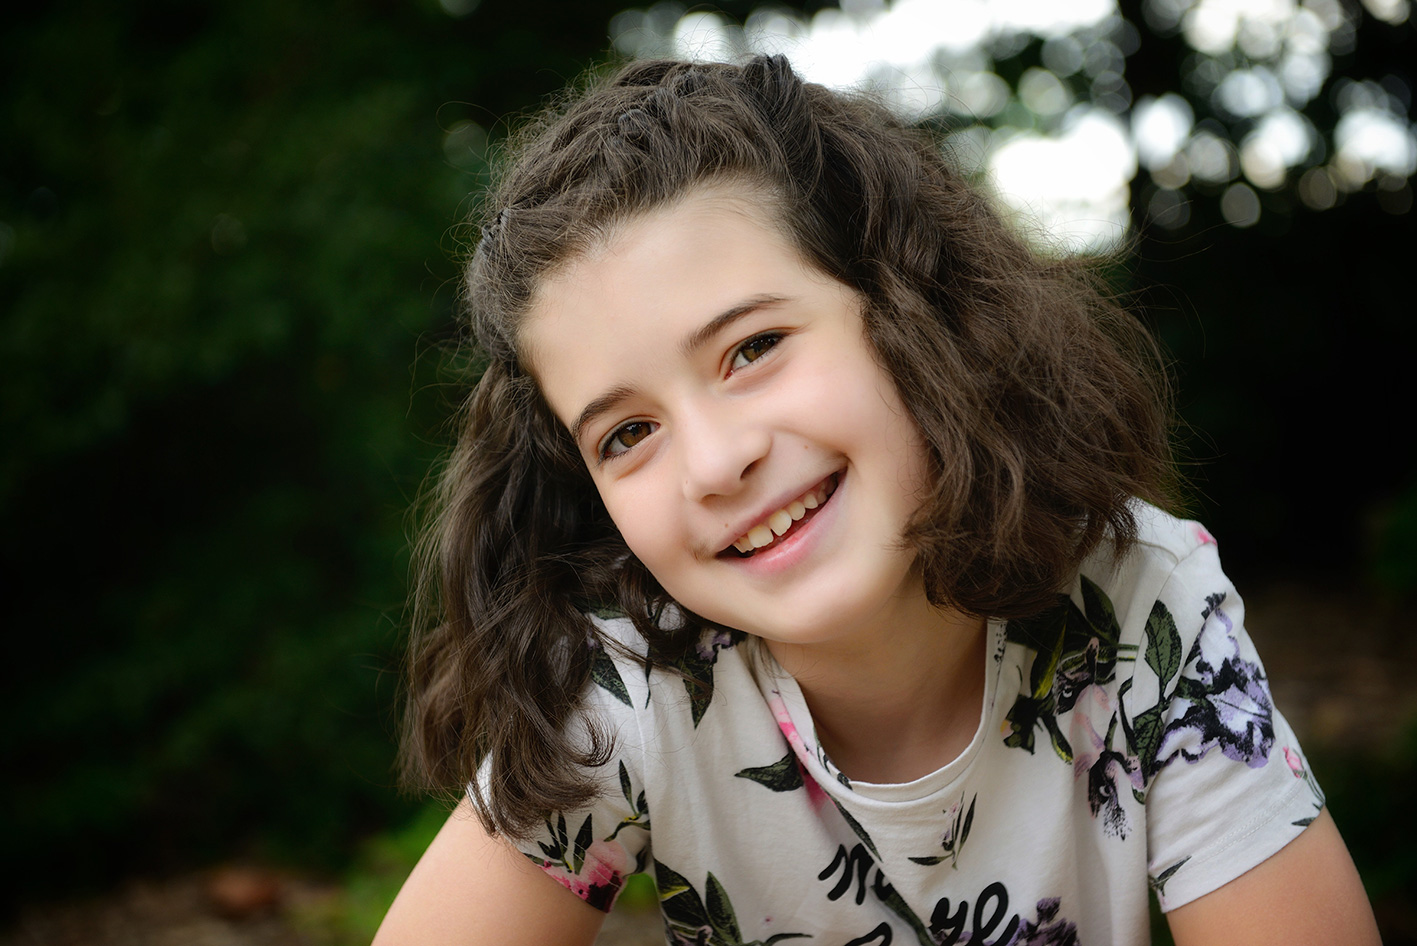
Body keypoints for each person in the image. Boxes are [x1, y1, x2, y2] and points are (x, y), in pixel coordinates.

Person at [374, 56, 1379, 945]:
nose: (715, 464)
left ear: (911, 310)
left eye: (753, 348)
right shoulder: (630, 701)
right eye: (627, 434)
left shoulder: (1138, 607)